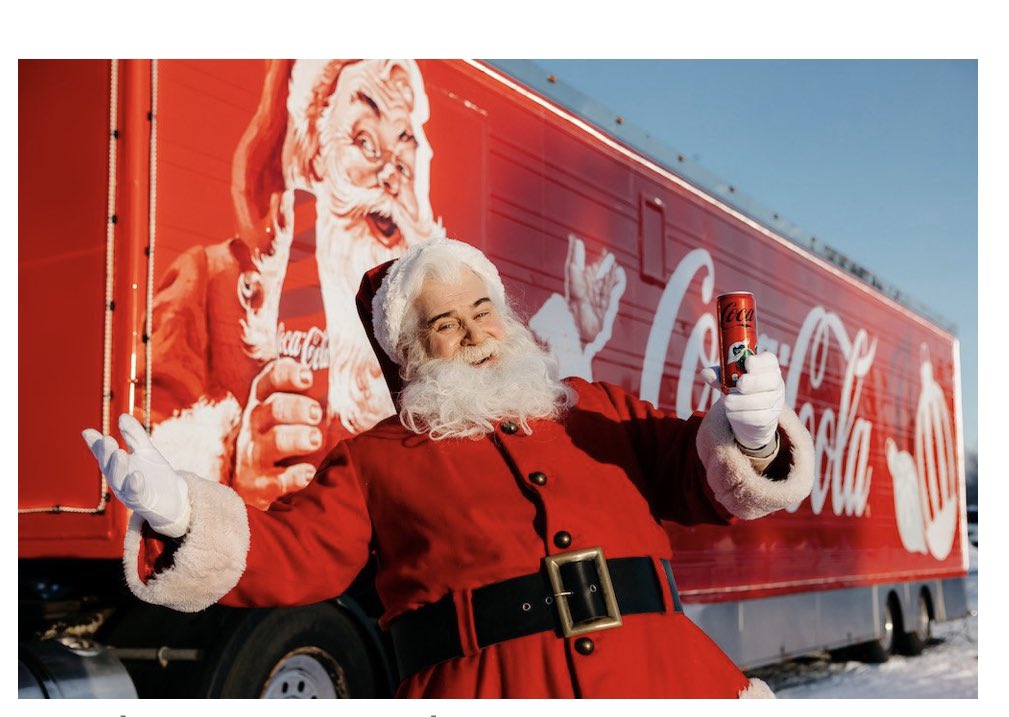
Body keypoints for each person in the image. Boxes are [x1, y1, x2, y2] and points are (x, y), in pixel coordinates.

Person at [84, 237, 814, 698]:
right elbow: (294, 554)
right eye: (444, 322)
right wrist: (180, 512)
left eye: (482, 309)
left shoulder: (591, 408)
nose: (473, 333)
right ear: (410, 352)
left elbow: (701, 477)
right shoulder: (377, 458)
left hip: (665, 684)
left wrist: (748, 434)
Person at [146, 59, 443, 509]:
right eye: (365, 142)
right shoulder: (210, 280)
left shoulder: (429, 325)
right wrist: (233, 478)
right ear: (314, 156)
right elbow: (141, 466)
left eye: (404, 153)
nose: (389, 174)